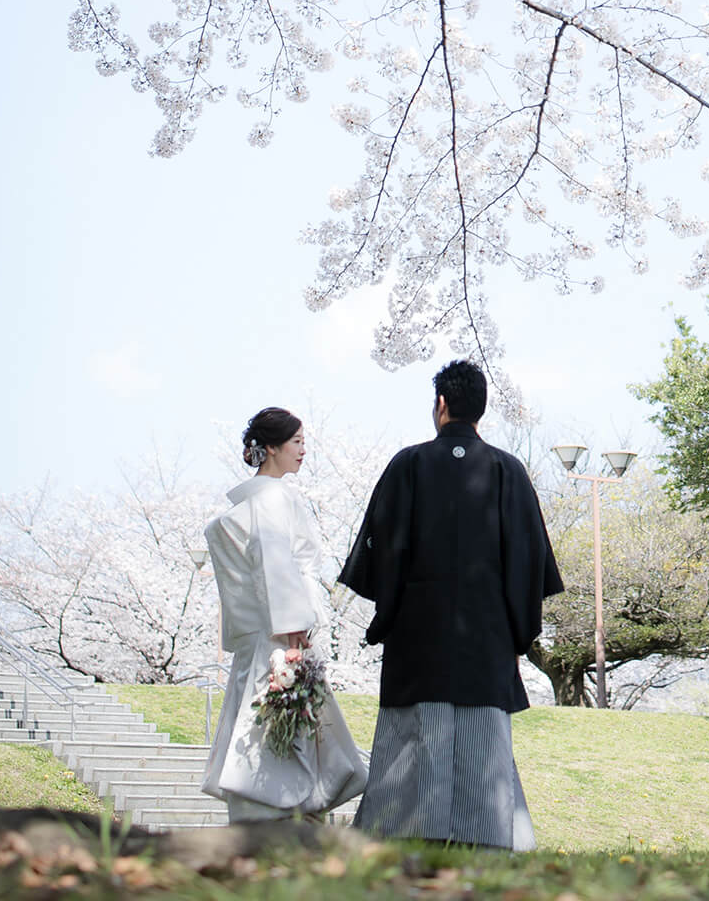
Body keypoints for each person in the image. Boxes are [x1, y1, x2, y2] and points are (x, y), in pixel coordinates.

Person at [339, 360, 563, 849]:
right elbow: (529, 559)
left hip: (418, 640)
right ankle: (485, 838)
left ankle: (402, 835)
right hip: (486, 642)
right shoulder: (508, 470)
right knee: (485, 740)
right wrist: (519, 629)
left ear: (440, 404)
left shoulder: (409, 464)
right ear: (479, 409)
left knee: (414, 736)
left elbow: (385, 550)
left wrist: (387, 615)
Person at [201, 407, 368, 823]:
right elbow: (274, 560)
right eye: (296, 441)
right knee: (284, 717)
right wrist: (295, 625)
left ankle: (262, 807)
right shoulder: (274, 498)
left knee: (261, 716)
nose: (304, 450)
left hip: (261, 633)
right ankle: (284, 810)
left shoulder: (250, 504)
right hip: (284, 632)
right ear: (271, 448)